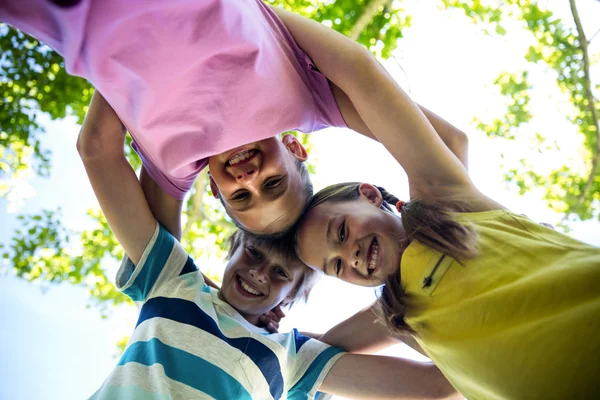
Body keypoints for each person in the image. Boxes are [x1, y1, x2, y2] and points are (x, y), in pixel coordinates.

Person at [271, 6, 600, 399]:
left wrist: (263, 20)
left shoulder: (444, 205)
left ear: (370, 194)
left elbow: (364, 78)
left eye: (340, 232)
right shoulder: (401, 316)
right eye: (337, 266)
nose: (351, 255)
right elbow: (322, 349)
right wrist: (250, 322)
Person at [77, 91, 459, 399]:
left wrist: (404, 294)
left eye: (280, 275)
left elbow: (437, 386)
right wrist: (135, 62)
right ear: (230, 251)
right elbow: (97, 149)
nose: (259, 272)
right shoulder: (174, 280)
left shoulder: (292, 358)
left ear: (287, 301)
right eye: (255, 254)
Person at [1, 0, 467, 237]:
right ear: (294, 148)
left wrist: (119, 71)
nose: (247, 178)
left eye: (240, 196)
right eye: (272, 184)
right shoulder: (310, 100)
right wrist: (438, 214)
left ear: (214, 189)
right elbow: (449, 141)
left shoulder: (173, 166)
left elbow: (159, 267)